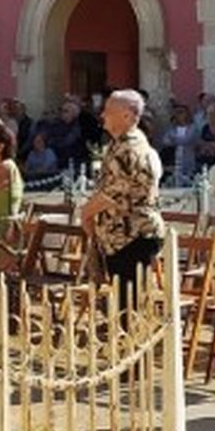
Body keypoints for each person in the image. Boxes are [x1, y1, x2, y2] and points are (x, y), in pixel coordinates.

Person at [78, 90, 165, 307]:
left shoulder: (130, 149)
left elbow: (110, 193)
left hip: (132, 236)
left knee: (130, 309)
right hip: (121, 237)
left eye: (109, 110)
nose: (102, 115)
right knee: (123, 306)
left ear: (127, 116)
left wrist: (86, 213)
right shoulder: (120, 145)